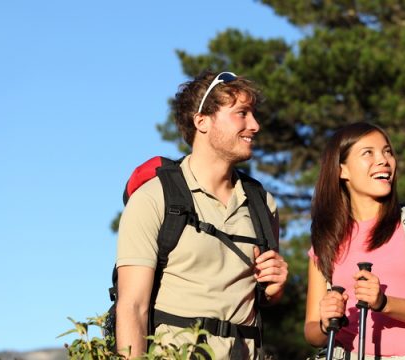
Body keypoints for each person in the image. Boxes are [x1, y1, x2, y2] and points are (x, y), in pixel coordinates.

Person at [115, 71, 289, 359]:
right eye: (241, 114)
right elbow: (132, 307)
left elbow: (262, 298)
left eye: (253, 115)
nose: (255, 125)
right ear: (202, 121)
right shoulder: (155, 198)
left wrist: (275, 288)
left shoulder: (262, 202)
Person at [304, 122, 405, 359]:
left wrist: (384, 303)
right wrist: (325, 322)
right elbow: (312, 332)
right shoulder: (325, 241)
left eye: (387, 151)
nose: (383, 160)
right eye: (368, 153)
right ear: (342, 170)